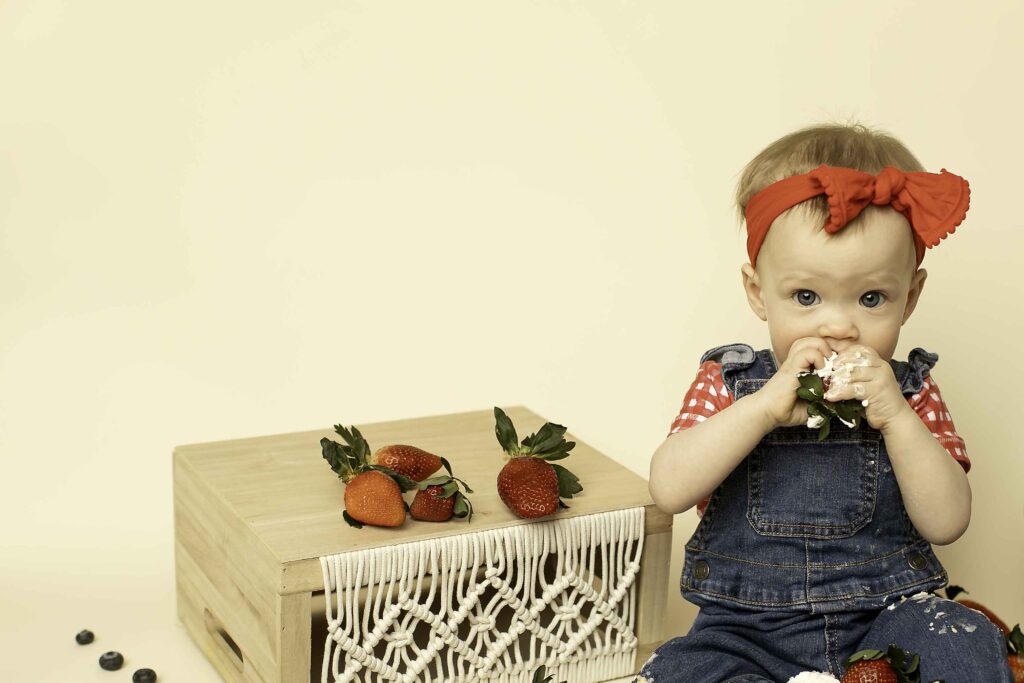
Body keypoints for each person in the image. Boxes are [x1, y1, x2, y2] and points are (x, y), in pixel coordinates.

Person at [636, 123, 1012, 682]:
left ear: (910, 297)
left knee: (964, 637)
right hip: (744, 631)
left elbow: (947, 521)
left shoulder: (909, 391)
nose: (839, 324)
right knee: (679, 670)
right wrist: (761, 409)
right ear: (759, 293)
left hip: (885, 621)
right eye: (806, 297)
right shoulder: (732, 381)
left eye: (871, 298)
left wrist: (897, 420)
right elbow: (668, 488)